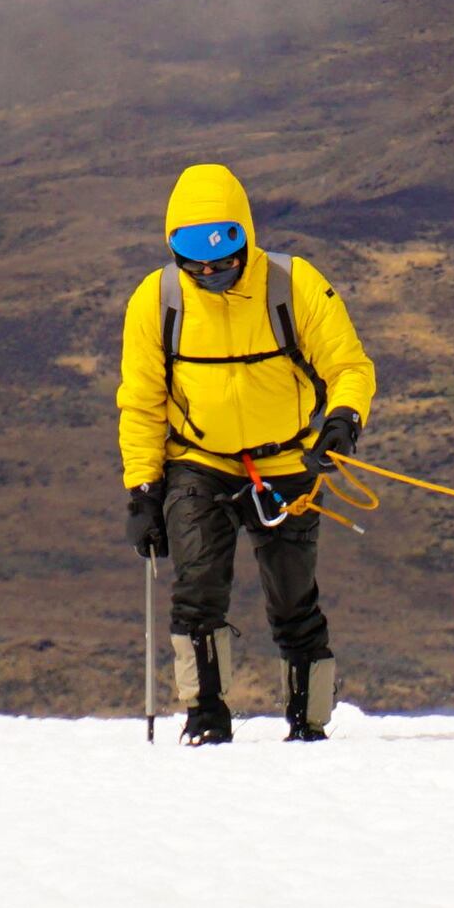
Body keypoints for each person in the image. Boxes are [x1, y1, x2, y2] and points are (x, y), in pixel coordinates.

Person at [117, 161, 379, 745]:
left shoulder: (294, 285)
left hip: (286, 462)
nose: (209, 272)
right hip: (199, 462)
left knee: (293, 597)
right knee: (197, 587)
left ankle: (308, 723)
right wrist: (143, 490)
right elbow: (142, 402)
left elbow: (348, 366)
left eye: (222, 258)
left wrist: (343, 420)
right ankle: (205, 715)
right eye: (195, 261)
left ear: (246, 238)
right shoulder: (155, 301)